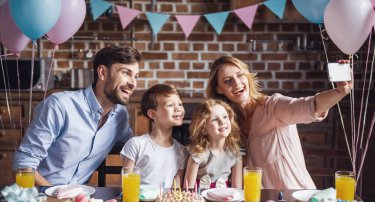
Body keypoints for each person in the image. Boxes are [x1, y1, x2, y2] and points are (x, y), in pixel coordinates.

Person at [206, 56, 353, 189]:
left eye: (240, 75)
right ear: (219, 89)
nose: (237, 83)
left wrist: (340, 92)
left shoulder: (273, 106)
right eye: (228, 81)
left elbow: (310, 105)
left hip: (295, 200)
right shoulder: (228, 123)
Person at [13, 46, 142, 186]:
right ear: (103, 73)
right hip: (40, 197)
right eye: (126, 73)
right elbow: (23, 166)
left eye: (135, 76)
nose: (133, 83)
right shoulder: (59, 105)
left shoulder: (120, 115)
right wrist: (58, 197)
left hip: (79, 200)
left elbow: (132, 148)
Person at [120, 84, 188, 188]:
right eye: (170, 105)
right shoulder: (136, 144)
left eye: (180, 104)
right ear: (153, 114)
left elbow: (177, 189)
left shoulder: (181, 150)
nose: (178, 108)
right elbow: (125, 184)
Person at [184, 99, 243, 189]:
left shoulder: (235, 154)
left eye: (225, 117)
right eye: (215, 119)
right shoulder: (198, 154)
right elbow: (188, 189)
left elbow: (237, 190)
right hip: (200, 200)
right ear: (203, 129)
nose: (222, 121)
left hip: (225, 200)